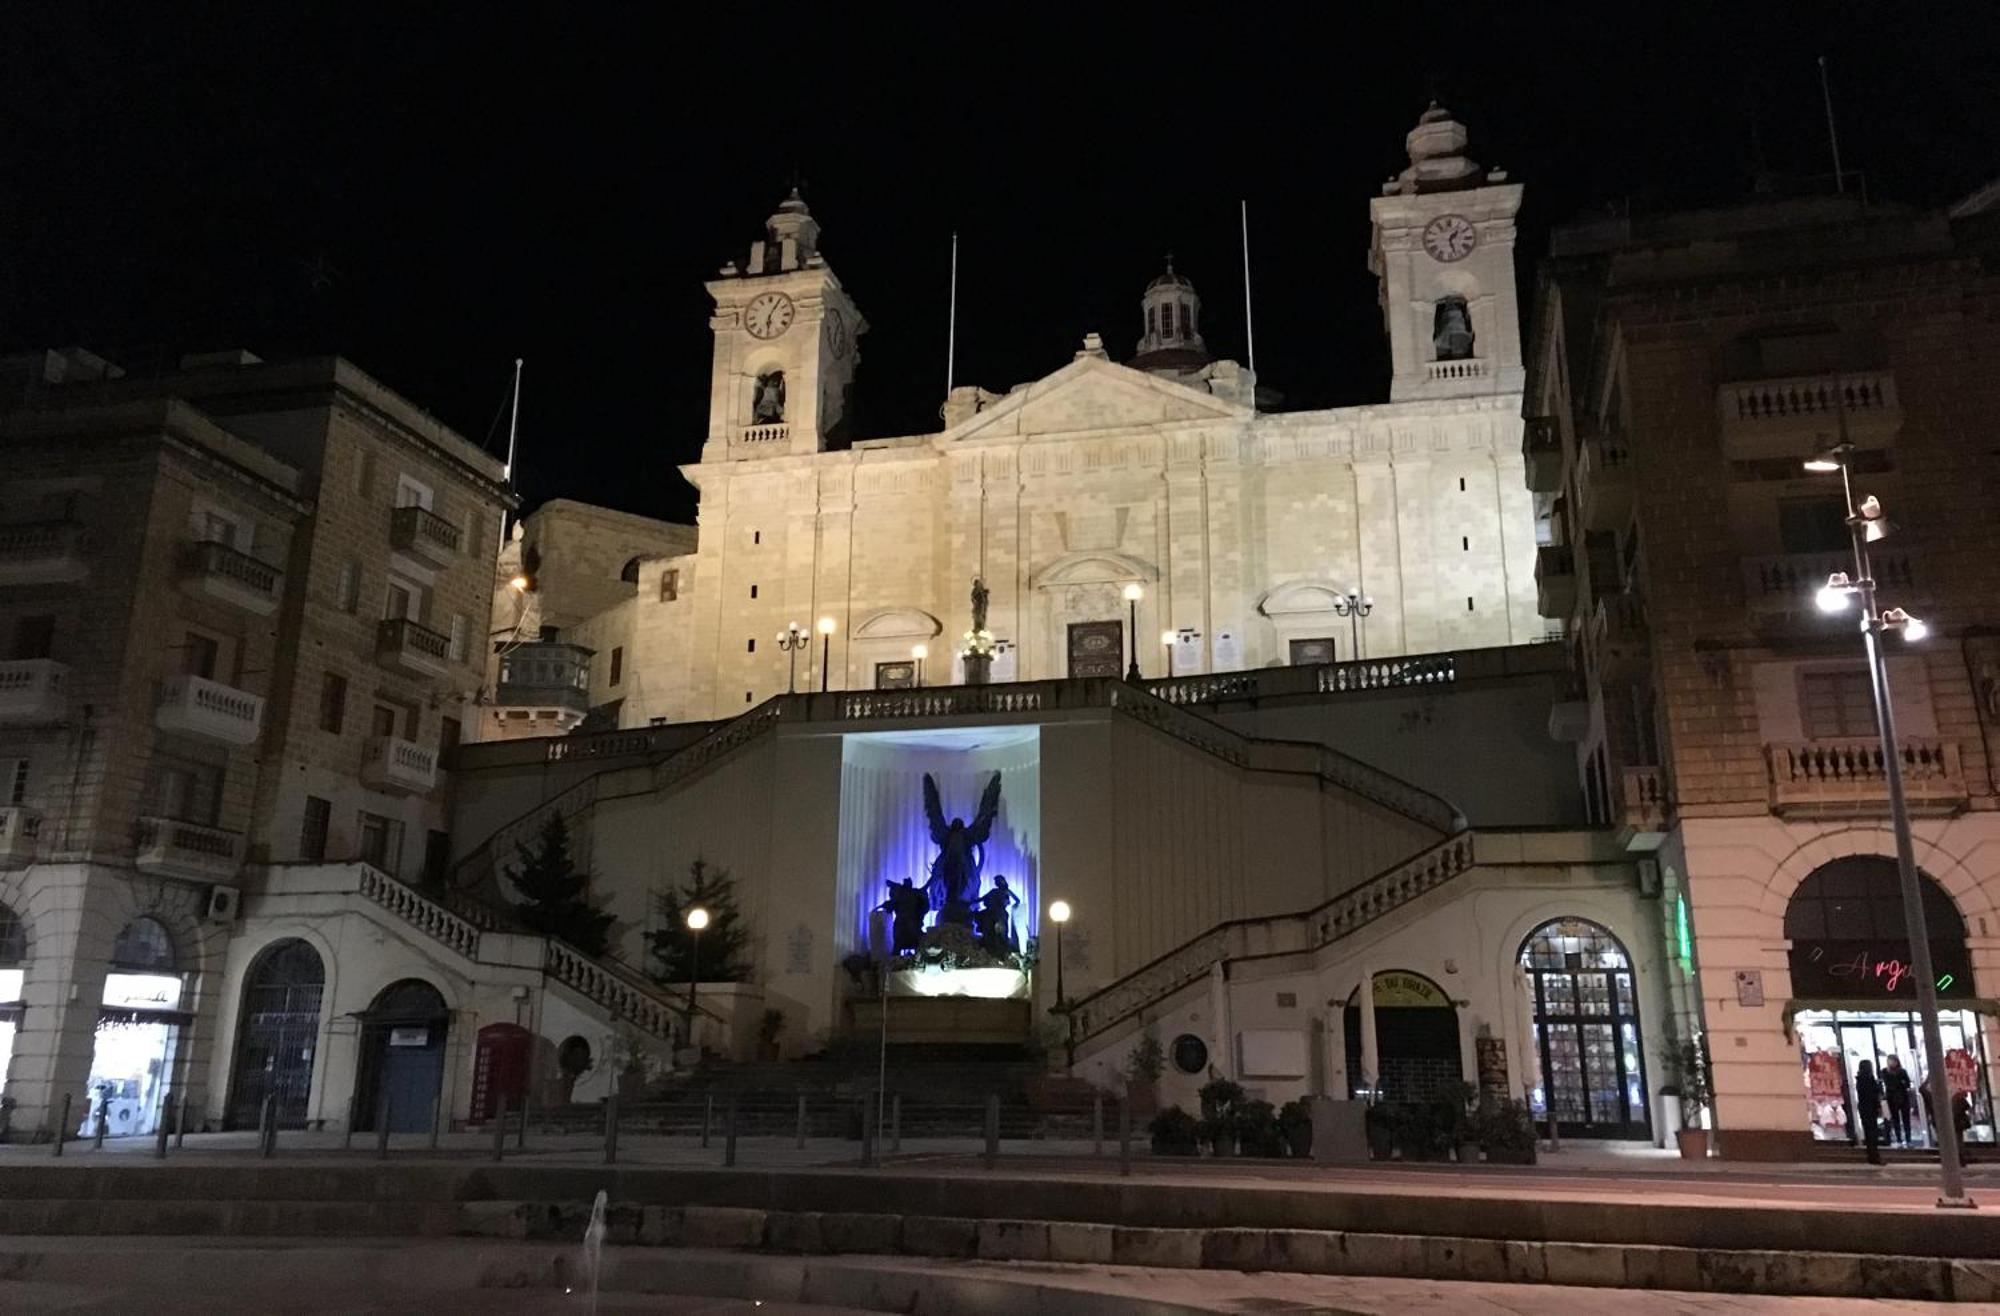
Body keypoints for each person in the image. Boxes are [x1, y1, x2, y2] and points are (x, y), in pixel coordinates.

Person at [1854, 1060, 1884, 1165]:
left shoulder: (1859, 1079)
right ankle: (1874, 1156)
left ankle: (1872, 1156)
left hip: (1864, 1108)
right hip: (1870, 1109)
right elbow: (1872, 1094)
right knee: (1872, 1133)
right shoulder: (1868, 1079)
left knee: (1869, 1133)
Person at [1882, 1056, 1914, 1146]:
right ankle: (1899, 1139)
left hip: (1902, 1098)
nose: (1892, 1063)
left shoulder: (1902, 1071)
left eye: (1893, 1061)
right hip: (1892, 1098)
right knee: (1895, 1119)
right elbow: (1888, 1083)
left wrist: (1900, 1084)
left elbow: (1907, 1083)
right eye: (1890, 1061)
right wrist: (1900, 1083)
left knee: (1906, 1119)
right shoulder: (1885, 1071)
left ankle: (1908, 1139)